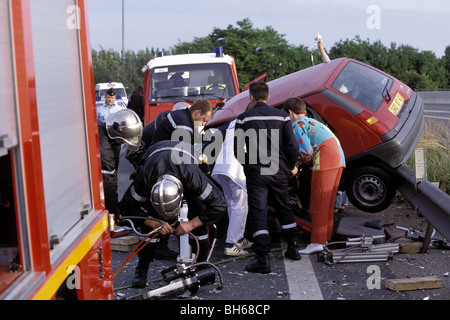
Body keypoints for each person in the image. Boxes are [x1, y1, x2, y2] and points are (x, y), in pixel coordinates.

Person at [119, 140, 227, 288]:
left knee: (198, 214)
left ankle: (202, 266)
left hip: (186, 164)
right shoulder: (145, 179)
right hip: (156, 159)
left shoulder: (194, 178)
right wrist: (152, 221)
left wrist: (191, 224)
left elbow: (219, 204)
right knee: (150, 230)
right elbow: (125, 207)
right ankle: (141, 270)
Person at [233, 82, 301, 274]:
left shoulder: (243, 118)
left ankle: (262, 259)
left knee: (259, 212)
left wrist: (248, 166)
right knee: (284, 206)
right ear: (268, 97)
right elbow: (292, 146)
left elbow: (238, 149)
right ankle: (294, 248)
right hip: (278, 169)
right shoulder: (282, 116)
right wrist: (289, 166)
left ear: (251, 97)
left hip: (257, 171)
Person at [282, 97, 345, 249]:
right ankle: (325, 238)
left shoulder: (297, 125)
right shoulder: (313, 122)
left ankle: (317, 242)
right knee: (328, 204)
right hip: (339, 158)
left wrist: (297, 161)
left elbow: (306, 151)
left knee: (318, 204)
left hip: (326, 160)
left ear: (290, 112)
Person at [98, 109, 143, 221]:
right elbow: (109, 185)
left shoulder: (102, 127)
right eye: (123, 141)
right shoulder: (105, 153)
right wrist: (114, 214)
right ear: (117, 135)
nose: (123, 144)